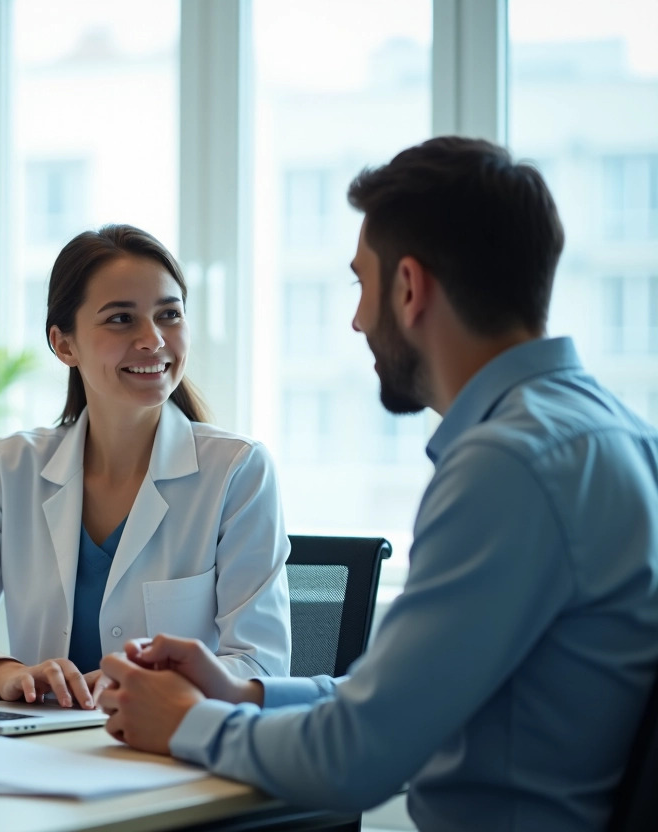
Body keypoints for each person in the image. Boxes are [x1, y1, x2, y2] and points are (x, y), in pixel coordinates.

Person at [96, 138, 658, 830]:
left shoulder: (508, 465)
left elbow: (355, 757)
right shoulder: (613, 434)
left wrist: (188, 723)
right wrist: (243, 693)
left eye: (362, 283)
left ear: (410, 289)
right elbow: (400, 695)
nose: (358, 319)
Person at [0, 224, 291, 711]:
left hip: (172, 753)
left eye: (169, 314)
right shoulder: (15, 466)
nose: (153, 340)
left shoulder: (237, 471)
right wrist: (4, 672)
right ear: (64, 344)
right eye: (120, 319)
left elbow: (261, 665)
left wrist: (149, 683)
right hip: (39, 751)